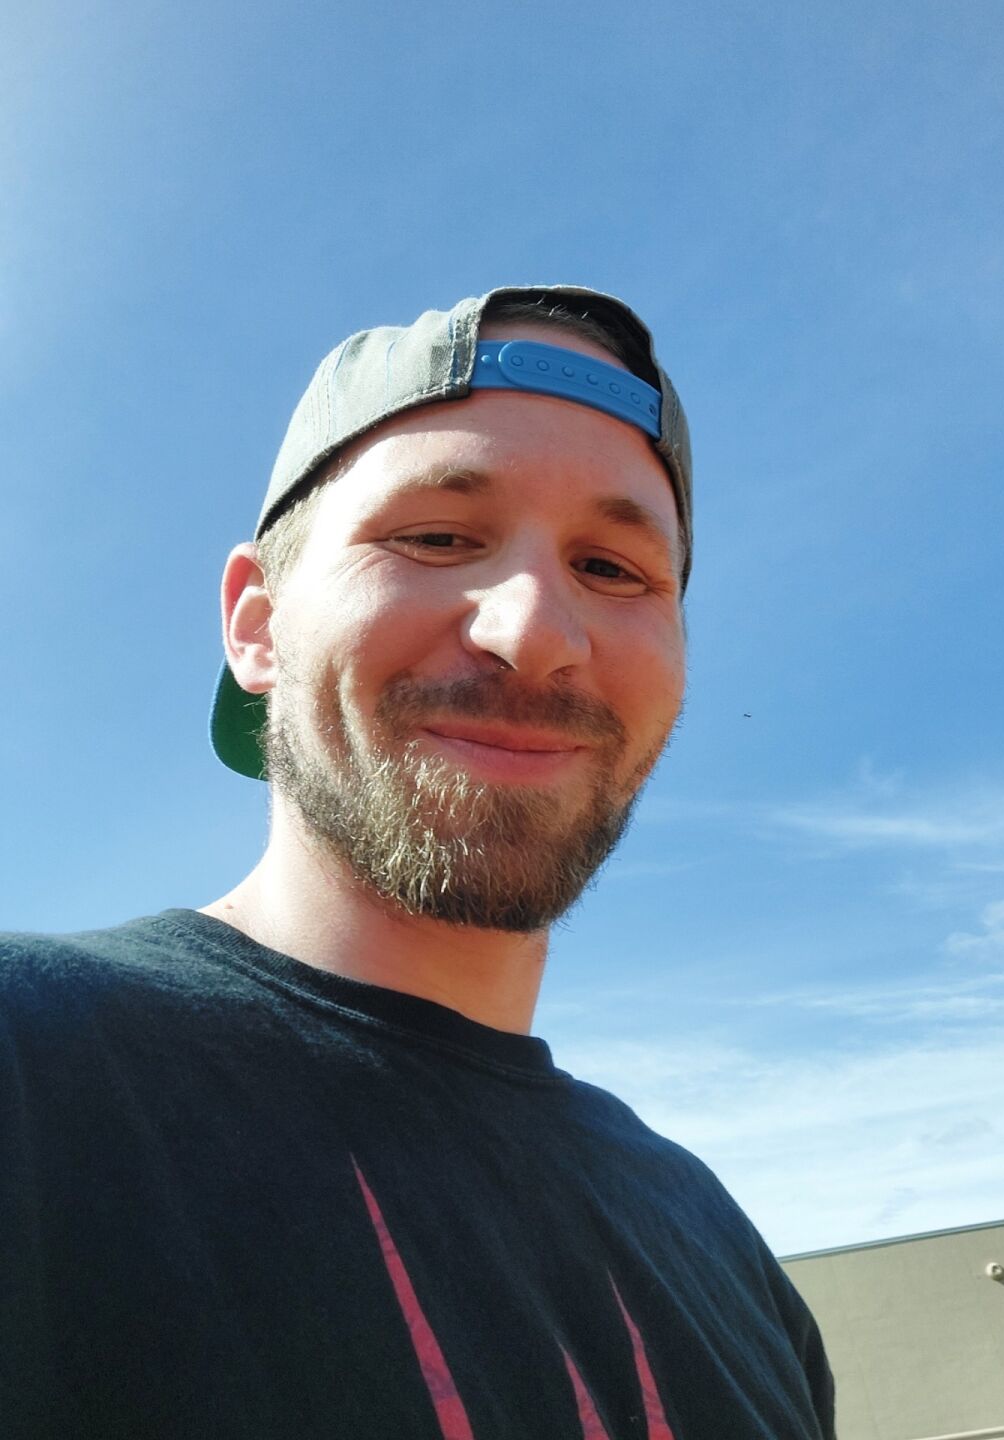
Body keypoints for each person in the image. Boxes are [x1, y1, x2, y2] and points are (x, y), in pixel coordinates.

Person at [0, 286, 834, 1439]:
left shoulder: (727, 1258)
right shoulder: (29, 1073)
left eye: (613, 568)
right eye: (437, 537)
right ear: (256, 624)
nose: (535, 632)